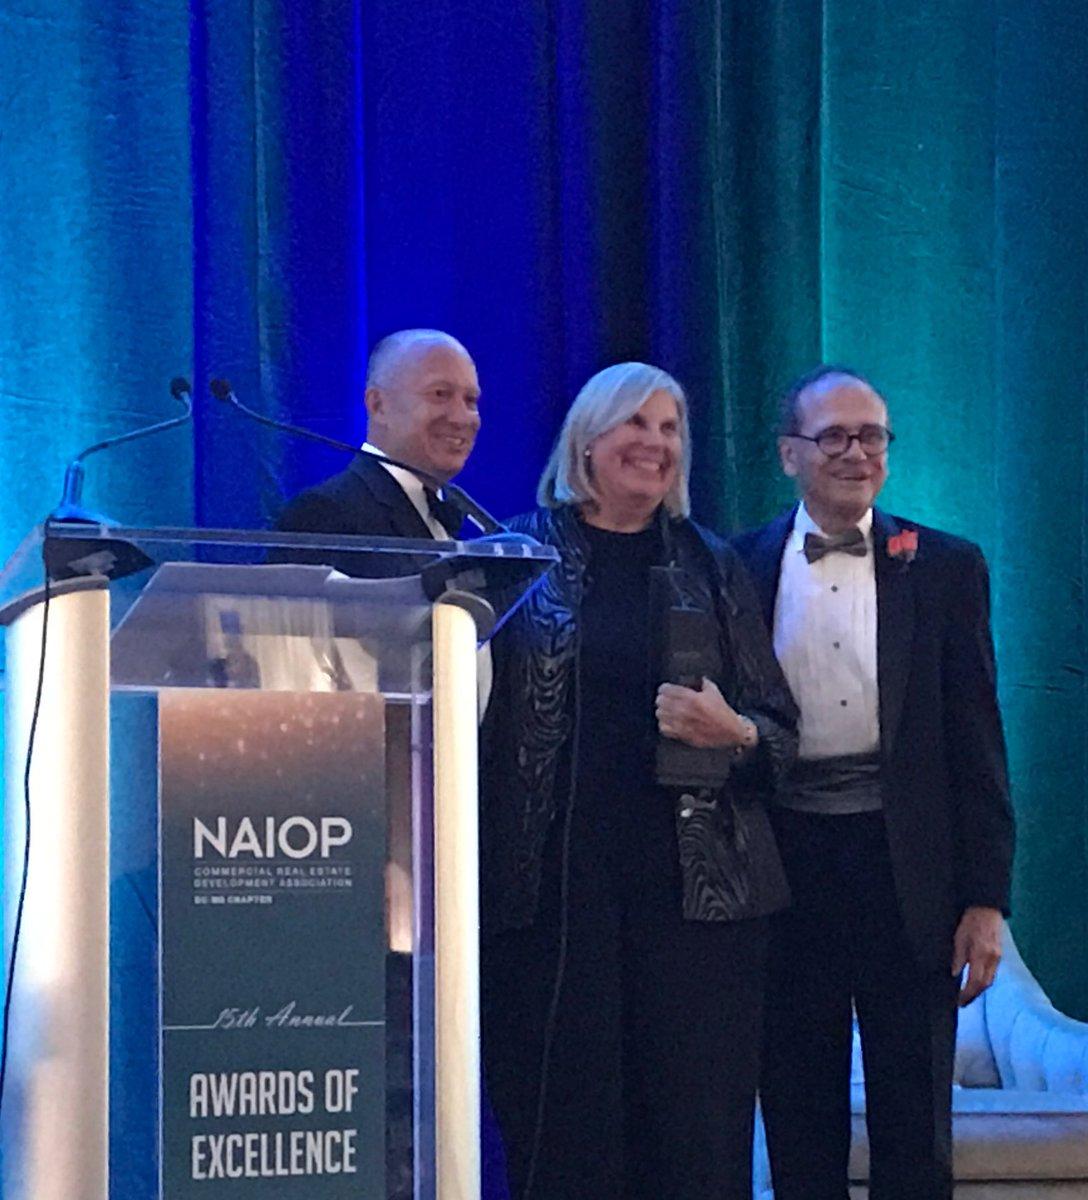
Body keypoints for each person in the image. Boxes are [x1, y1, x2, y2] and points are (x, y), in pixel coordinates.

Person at [479, 362, 798, 1200]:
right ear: (588, 438)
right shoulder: (514, 554)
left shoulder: (714, 564)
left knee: (694, 1138)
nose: (654, 444)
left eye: (670, 429)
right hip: (550, 906)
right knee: (567, 1132)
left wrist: (734, 734)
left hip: (698, 905)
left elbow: (781, 735)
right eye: (636, 424)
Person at [732, 365, 1015, 1200]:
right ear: (789, 453)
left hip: (908, 869)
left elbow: (979, 742)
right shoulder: (735, 565)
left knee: (914, 1116)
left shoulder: (946, 567)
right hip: (785, 866)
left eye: (873, 436)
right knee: (796, 1108)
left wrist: (986, 898)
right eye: (834, 437)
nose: (857, 453)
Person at [276, 327, 481, 556]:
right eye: (440, 394)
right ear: (378, 405)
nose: (461, 418)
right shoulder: (324, 514)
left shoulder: (458, 516)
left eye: (471, 400)